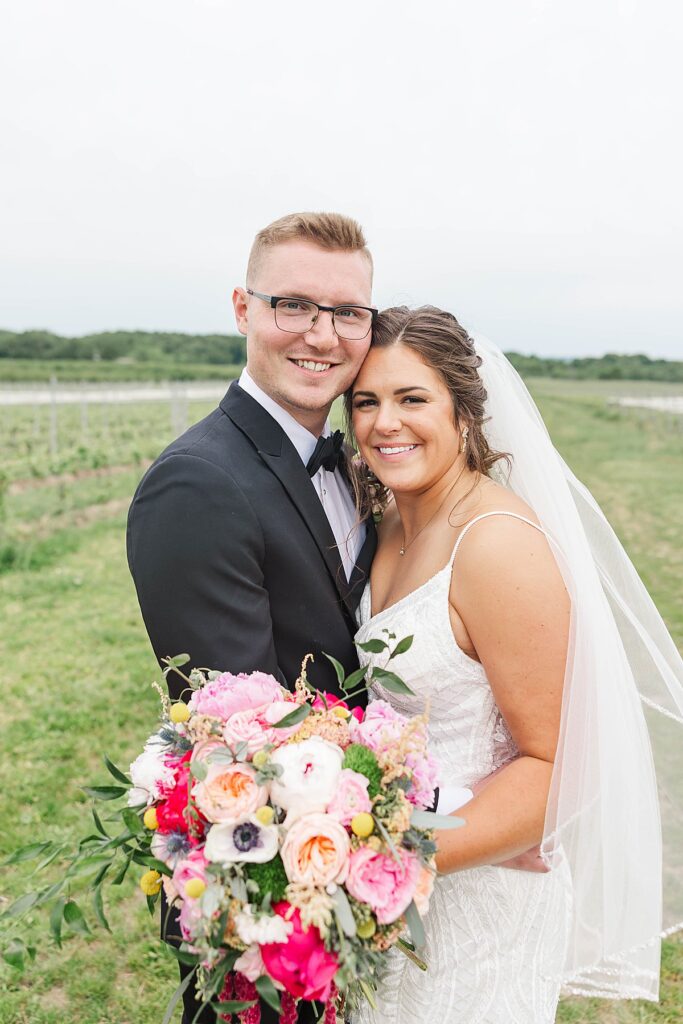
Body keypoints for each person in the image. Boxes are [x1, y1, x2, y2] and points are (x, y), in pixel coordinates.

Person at [346, 306, 683, 1024]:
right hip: (390, 891)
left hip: (474, 900)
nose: (384, 423)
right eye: (366, 401)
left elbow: (559, 763)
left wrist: (387, 861)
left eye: (412, 399)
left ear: (465, 412)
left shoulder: (494, 545)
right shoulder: (390, 527)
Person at [126, 212, 378, 1024]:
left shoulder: (362, 459)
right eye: (293, 305)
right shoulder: (198, 483)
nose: (322, 335)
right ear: (243, 308)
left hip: (354, 877)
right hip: (264, 891)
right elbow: (244, 731)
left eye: (347, 313)